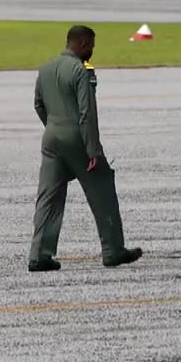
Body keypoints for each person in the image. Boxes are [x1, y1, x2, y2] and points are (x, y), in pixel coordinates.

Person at [28, 25, 142, 272]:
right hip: (76, 139)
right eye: (90, 45)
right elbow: (86, 114)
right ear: (81, 44)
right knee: (102, 188)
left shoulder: (46, 68)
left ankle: (39, 255)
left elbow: (38, 104)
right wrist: (94, 152)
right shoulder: (81, 71)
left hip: (51, 137)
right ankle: (113, 250)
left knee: (48, 198)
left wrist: (53, 127)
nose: (92, 50)